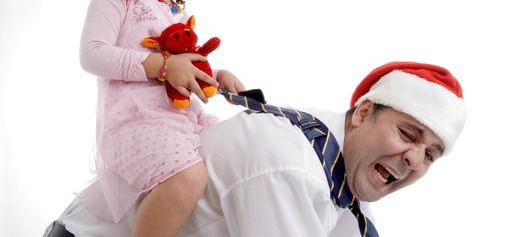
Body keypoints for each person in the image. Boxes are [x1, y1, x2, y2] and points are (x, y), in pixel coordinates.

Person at [45, 61, 467, 237]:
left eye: (431, 154)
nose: (415, 159)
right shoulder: (291, 166)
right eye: (409, 135)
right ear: (363, 113)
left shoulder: (342, 179)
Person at [74, 0, 245, 237]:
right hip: (131, 122)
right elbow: (92, 53)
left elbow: (179, 65)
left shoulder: (170, 6)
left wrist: (214, 75)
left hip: (174, 120)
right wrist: (162, 66)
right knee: (187, 176)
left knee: (232, 153)